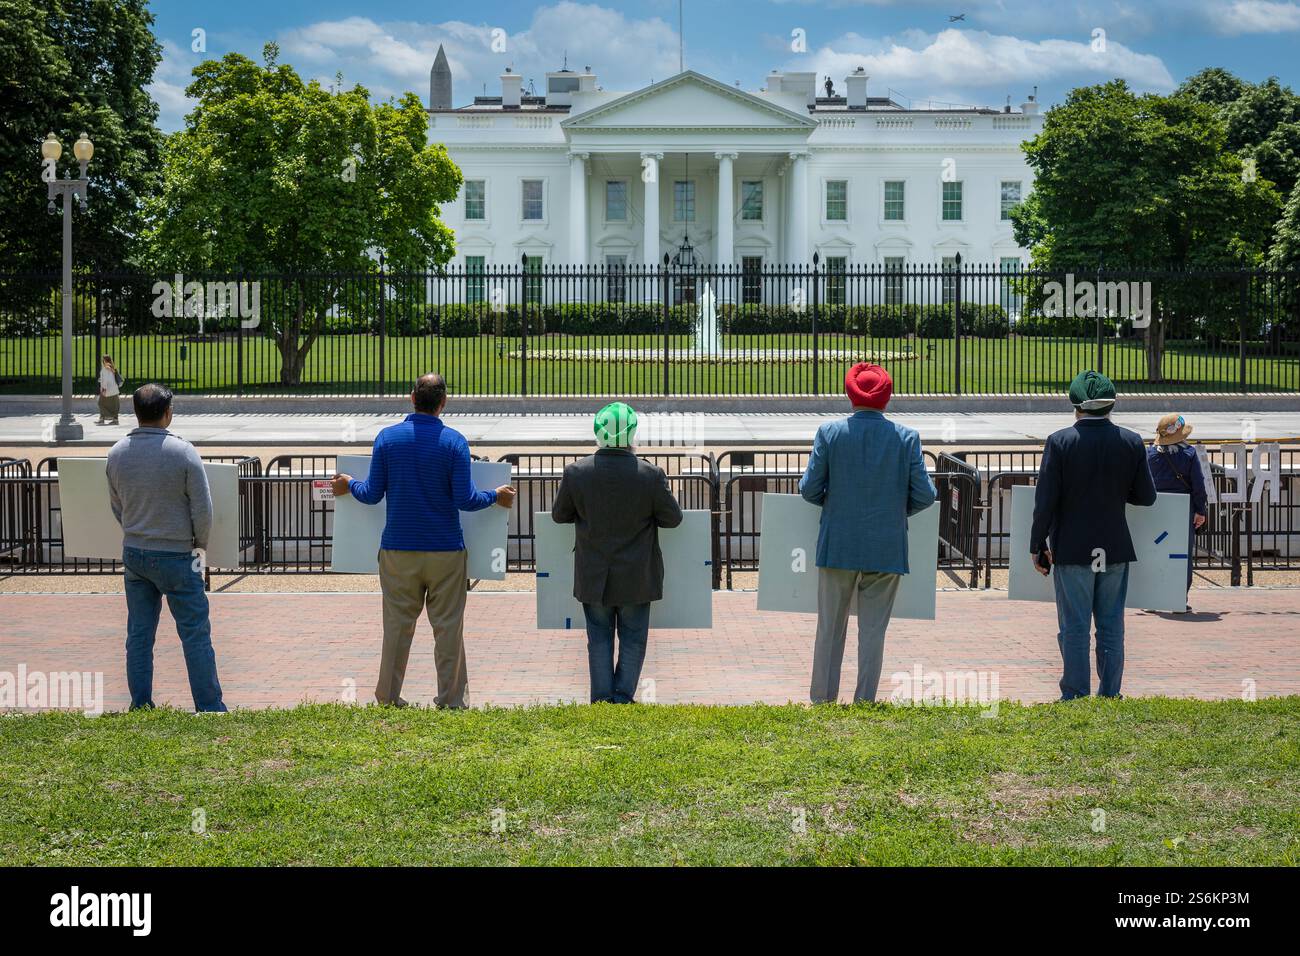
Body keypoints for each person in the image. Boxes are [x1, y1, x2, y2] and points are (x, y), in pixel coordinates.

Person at [331, 373, 515, 709]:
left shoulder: (387, 439)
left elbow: (372, 495)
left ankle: (387, 696)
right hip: (445, 550)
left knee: (397, 629)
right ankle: (451, 699)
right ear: (443, 403)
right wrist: (494, 496)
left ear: (412, 398)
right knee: (448, 630)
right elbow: (465, 498)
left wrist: (349, 483)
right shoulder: (455, 442)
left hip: (399, 549)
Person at [799, 363, 936, 704]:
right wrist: (893, 511)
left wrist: (835, 505)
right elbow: (925, 495)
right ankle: (864, 701)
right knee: (873, 633)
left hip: (839, 544)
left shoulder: (829, 433)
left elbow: (809, 489)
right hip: (886, 546)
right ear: (887, 398)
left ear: (850, 394)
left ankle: (822, 699)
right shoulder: (907, 438)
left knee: (829, 628)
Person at [1030, 370, 1157, 701]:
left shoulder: (1060, 442)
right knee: (1111, 625)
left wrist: (1036, 545)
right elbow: (1146, 496)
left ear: (1075, 404)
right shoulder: (1131, 442)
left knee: (1074, 627)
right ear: (1111, 404)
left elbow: (1045, 501)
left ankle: (1074, 693)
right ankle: (1110, 692)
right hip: (1114, 546)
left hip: (1072, 547)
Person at [551, 402, 683, 703]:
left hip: (593, 572)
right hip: (637, 574)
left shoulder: (576, 472)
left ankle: (601, 698)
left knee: (598, 638)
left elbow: (560, 515)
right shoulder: (650, 474)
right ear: (632, 433)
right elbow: (673, 519)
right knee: (633, 638)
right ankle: (623, 696)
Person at [106, 383, 226, 712]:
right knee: (195, 633)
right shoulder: (183, 452)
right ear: (168, 413)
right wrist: (200, 548)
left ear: (136, 412)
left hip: (135, 552)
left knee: (139, 635)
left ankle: (140, 703)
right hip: (178, 554)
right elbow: (202, 511)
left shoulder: (117, 453)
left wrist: (135, 532)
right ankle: (209, 707)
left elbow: (117, 506)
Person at [1146, 414, 1208, 611]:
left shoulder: (1149, 455)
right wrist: (1200, 510)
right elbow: (1198, 484)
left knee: (1154, 553)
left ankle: (1151, 598)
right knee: (1181, 555)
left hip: (1156, 509)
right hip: (1182, 509)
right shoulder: (1189, 454)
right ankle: (1179, 598)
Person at [96, 355, 122, 425]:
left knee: (101, 403)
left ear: (104, 360)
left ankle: (102, 418)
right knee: (115, 405)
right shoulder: (112, 367)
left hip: (107, 389)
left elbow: (106, 380)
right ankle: (115, 419)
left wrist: (104, 389)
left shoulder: (105, 368)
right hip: (114, 390)